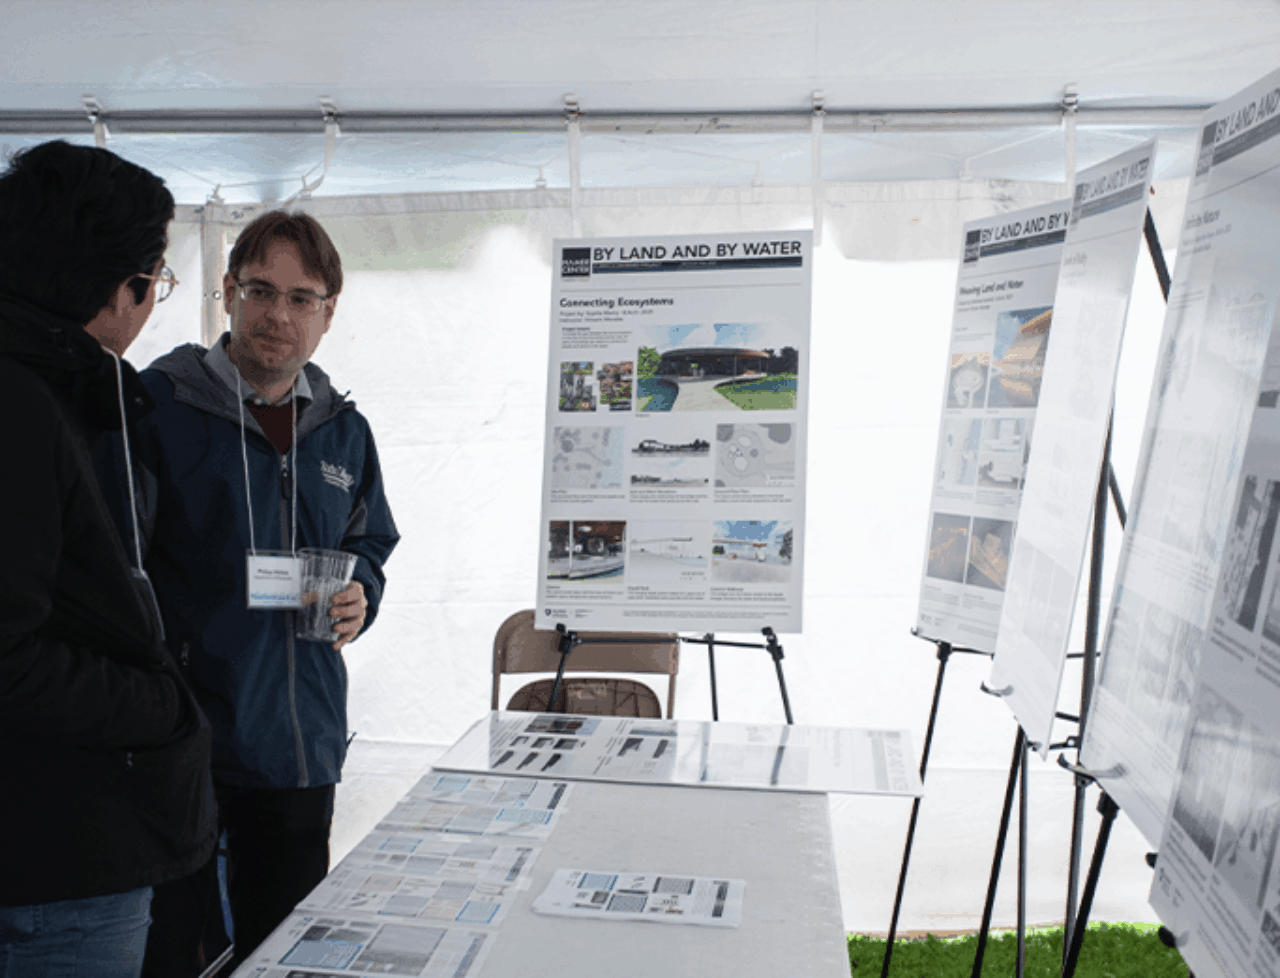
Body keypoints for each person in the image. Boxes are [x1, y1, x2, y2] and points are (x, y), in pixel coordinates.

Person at [96, 210, 399, 974]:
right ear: (227, 293)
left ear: (328, 313)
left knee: (284, 952)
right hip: (181, 740)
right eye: (260, 290)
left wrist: (362, 587)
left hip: (297, 748)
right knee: (166, 951)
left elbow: (369, 541)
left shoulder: (343, 432)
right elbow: (111, 562)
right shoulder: (157, 407)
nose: (278, 314)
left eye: (302, 298)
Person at [0, 141, 216, 976]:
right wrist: (159, 707)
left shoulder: (64, 392)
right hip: (56, 857)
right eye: (156, 284)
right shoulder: (25, 407)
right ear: (119, 286)